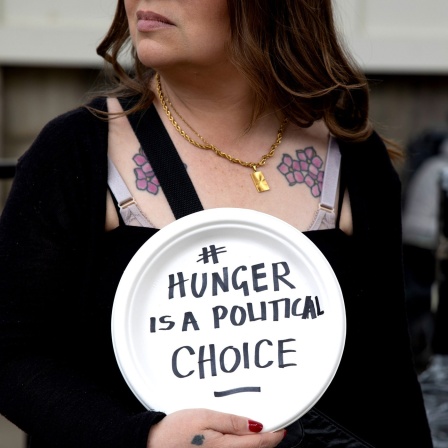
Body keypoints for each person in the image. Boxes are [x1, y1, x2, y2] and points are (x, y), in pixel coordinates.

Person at [0, 1, 433, 447]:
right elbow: (13, 354)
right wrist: (143, 440)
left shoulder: (353, 159)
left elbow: (389, 380)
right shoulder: (77, 152)